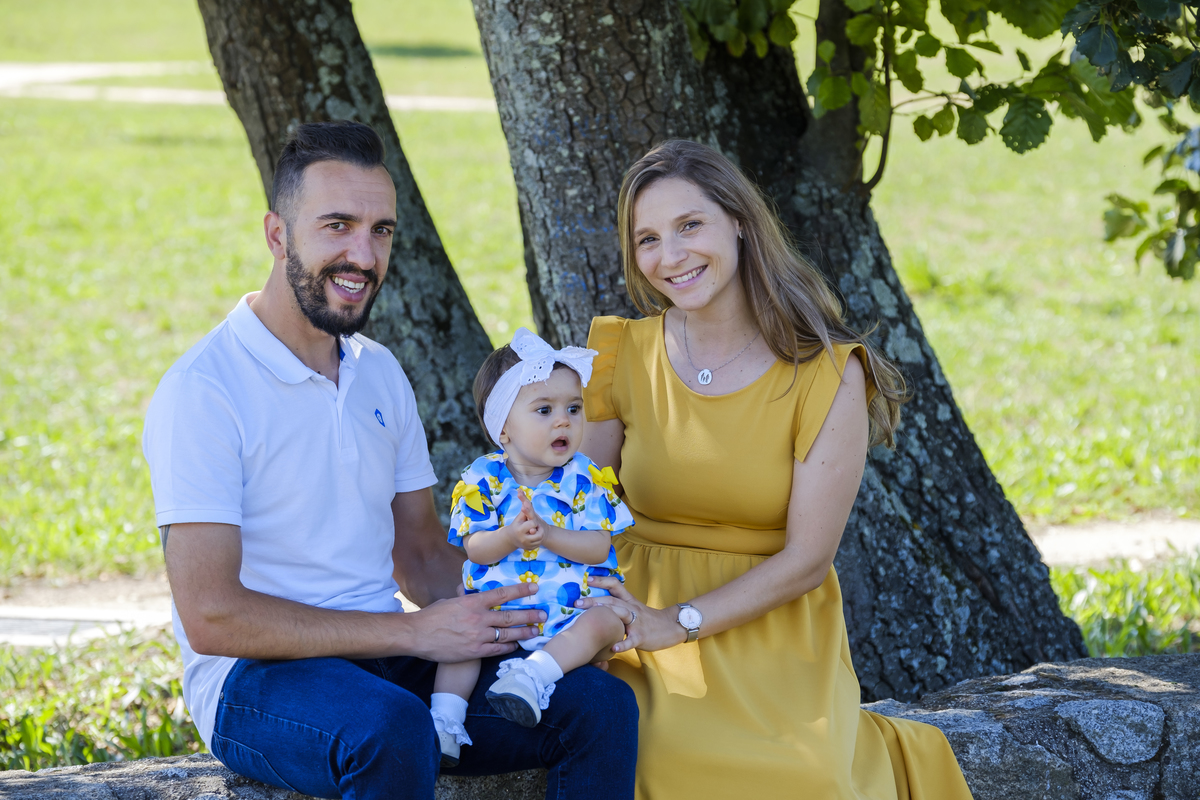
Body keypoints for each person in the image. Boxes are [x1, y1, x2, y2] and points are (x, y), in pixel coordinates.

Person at [142, 121, 637, 800]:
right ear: (277, 235)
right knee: (393, 727)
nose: (363, 255)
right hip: (253, 678)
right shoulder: (204, 390)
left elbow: (424, 558)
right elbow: (212, 615)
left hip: (388, 652)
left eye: (380, 231)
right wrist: (411, 631)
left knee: (597, 705)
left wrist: (549, 617)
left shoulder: (379, 372)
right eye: (337, 226)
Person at [573, 139, 974, 799]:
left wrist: (679, 621)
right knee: (651, 753)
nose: (670, 256)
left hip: (770, 621)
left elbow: (808, 560)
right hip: (633, 618)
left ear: (739, 221)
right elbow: (578, 511)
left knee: (803, 777)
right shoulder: (620, 354)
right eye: (648, 239)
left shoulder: (827, 372)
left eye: (689, 225)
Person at [430, 328, 635, 766]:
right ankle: (445, 720)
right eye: (544, 410)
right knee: (464, 633)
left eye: (574, 408)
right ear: (503, 428)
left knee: (607, 622)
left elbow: (598, 547)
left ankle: (532, 676)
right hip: (500, 610)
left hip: (569, 614)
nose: (564, 421)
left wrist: (548, 533)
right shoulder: (482, 479)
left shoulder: (586, 477)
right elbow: (475, 548)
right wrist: (509, 537)